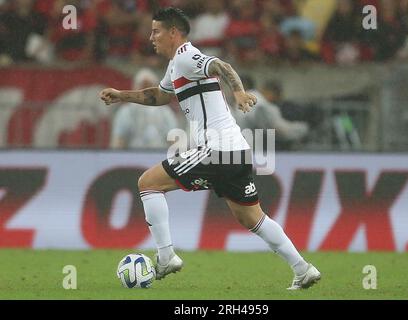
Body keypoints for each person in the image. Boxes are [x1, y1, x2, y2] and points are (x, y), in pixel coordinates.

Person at [100, 7, 320, 290]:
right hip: (238, 152)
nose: (151, 37)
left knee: (148, 184)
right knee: (251, 216)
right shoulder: (175, 66)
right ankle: (303, 269)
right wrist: (122, 96)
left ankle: (166, 257)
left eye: (156, 31)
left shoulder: (187, 56)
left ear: (173, 33)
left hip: (216, 150)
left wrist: (238, 91)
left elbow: (222, 66)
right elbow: (158, 96)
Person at [110, 68, 178, 149]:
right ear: (135, 87)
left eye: (149, 86)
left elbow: (174, 140)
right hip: (133, 157)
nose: (146, 91)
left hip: (161, 156)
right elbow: (118, 140)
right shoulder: (126, 111)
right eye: (143, 86)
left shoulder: (165, 112)